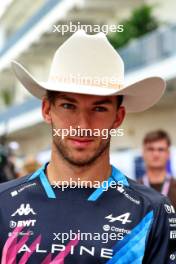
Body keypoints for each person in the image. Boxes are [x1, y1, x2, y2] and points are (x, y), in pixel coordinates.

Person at [0, 30, 175, 263]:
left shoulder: (152, 211)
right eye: (67, 105)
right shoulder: (4, 203)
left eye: (99, 108)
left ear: (118, 117)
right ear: (46, 110)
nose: (82, 125)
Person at [140, 130, 176, 209]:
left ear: (168, 154)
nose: (156, 154)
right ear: (143, 153)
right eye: (151, 149)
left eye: (161, 149)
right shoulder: (132, 191)